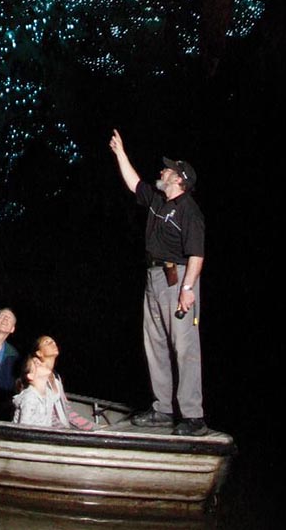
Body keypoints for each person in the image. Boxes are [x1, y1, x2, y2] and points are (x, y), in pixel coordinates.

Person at [109, 129, 207, 436]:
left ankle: (192, 415)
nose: (161, 170)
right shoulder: (156, 199)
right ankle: (162, 409)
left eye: (168, 169)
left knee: (185, 347)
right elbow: (133, 182)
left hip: (178, 280)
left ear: (180, 179)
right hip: (153, 278)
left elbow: (197, 255)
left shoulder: (189, 211)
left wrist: (188, 290)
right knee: (155, 345)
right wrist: (120, 153)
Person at [31, 336, 94, 430]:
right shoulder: (37, 377)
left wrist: (93, 427)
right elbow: (46, 415)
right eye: (46, 342)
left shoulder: (56, 377)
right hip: (47, 431)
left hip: (63, 430)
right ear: (39, 353)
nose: (52, 344)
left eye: (53, 342)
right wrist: (65, 431)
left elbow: (68, 411)